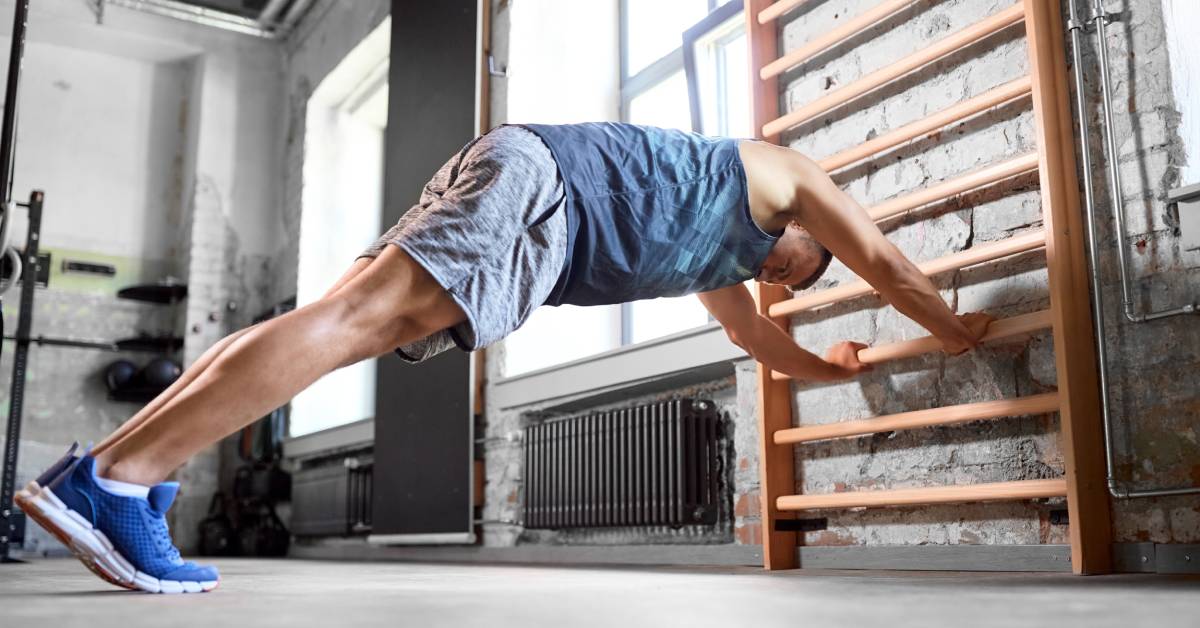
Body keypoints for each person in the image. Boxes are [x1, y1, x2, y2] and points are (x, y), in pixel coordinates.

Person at [16, 122, 992, 593]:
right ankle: (119, 477)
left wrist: (837, 367)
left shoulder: (714, 247)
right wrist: (957, 335)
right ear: (803, 234)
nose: (792, 283)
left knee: (333, 319)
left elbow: (752, 340)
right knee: (347, 326)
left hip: (521, 185)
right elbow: (887, 261)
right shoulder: (786, 178)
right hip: (539, 196)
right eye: (803, 273)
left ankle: (121, 475)